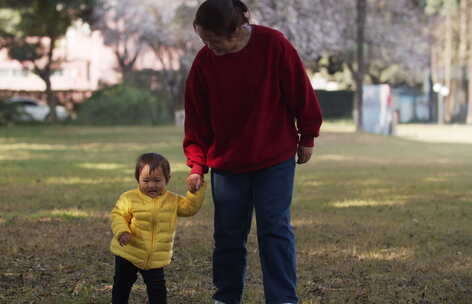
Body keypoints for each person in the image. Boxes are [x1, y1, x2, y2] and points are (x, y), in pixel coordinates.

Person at [183, 0, 323, 303]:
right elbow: (196, 121)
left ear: (235, 29)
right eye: (204, 40)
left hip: (274, 157)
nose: (210, 46)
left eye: (215, 40)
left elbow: (301, 91)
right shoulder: (205, 62)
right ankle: (226, 297)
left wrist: (307, 135)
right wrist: (197, 165)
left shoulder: (273, 45)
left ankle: (283, 298)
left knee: (274, 230)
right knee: (228, 236)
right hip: (228, 164)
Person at [109, 152, 205, 304]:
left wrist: (195, 192)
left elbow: (189, 209)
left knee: (157, 289)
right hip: (128, 252)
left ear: (167, 179)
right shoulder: (129, 198)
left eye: (157, 180)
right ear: (137, 179)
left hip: (155, 257)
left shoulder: (172, 200)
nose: (151, 185)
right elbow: (118, 215)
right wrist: (122, 231)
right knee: (122, 284)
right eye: (146, 180)